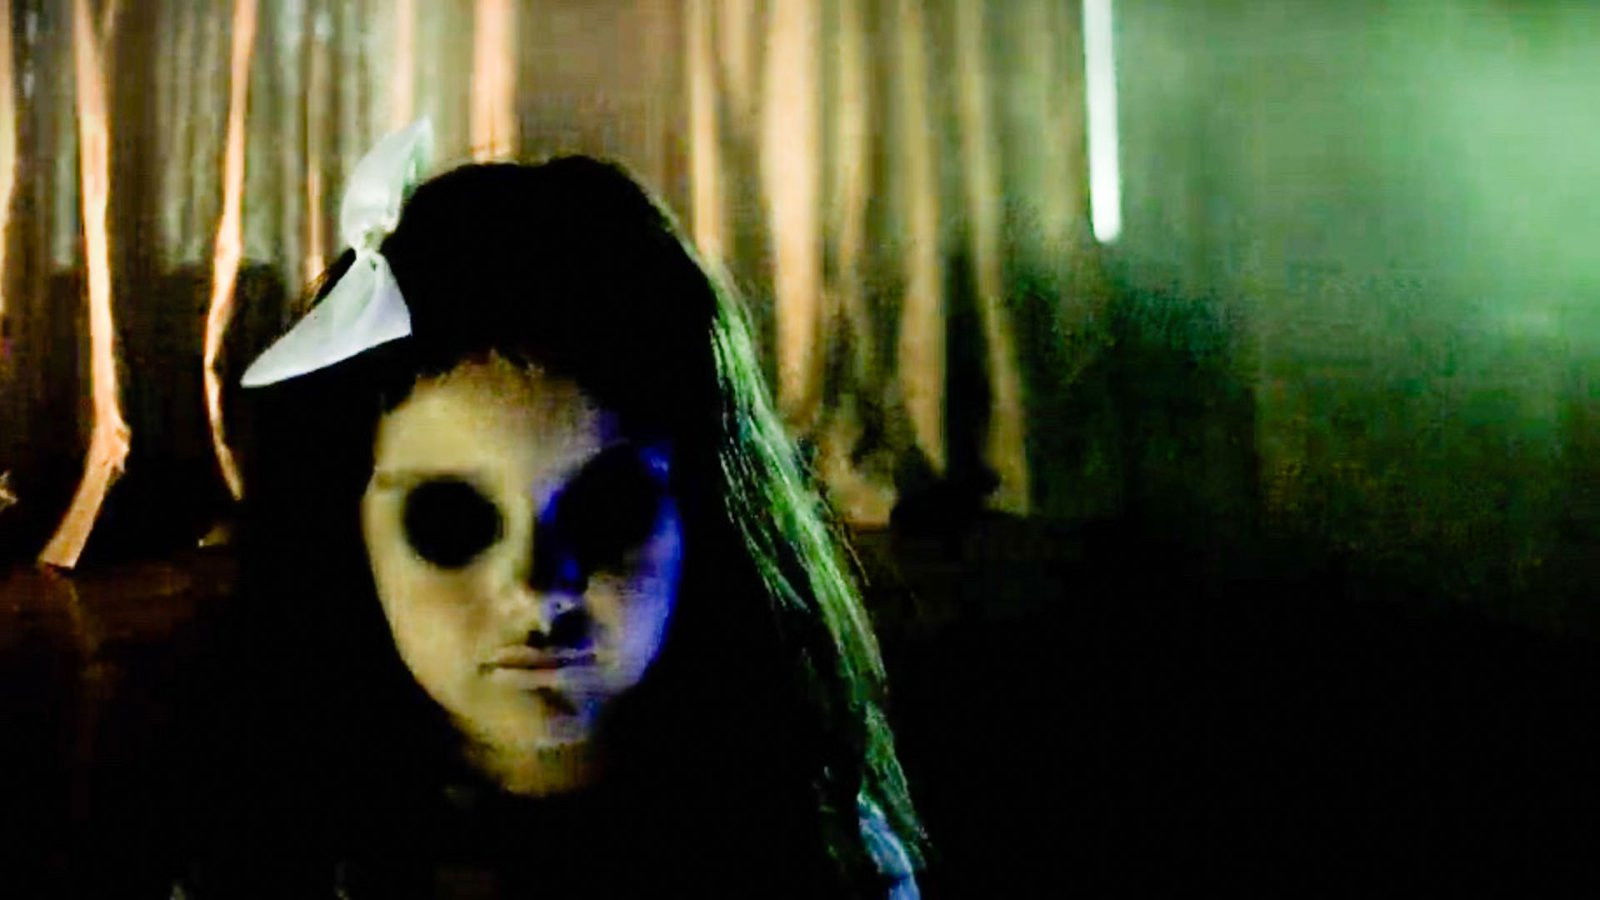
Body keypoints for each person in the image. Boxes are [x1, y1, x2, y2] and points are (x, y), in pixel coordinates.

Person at [161, 122, 925, 898]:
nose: (538, 588)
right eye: (451, 521)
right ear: (345, 533)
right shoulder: (261, 854)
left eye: (609, 508)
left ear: (705, 511)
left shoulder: (820, 841)